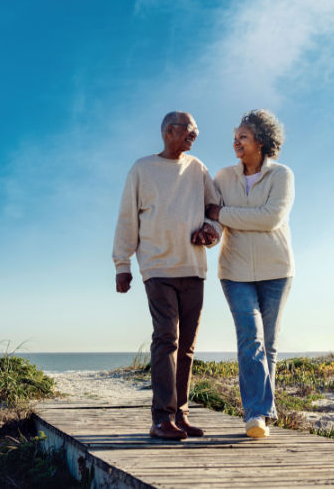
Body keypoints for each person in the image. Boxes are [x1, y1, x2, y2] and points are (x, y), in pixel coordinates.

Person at [113, 111, 221, 440]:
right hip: (157, 269)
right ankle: (161, 418)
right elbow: (127, 217)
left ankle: (181, 415)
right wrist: (122, 264)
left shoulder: (198, 168)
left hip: (193, 268)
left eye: (196, 131)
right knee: (166, 339)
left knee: (186, 346)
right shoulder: (142, 169)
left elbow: (214, 208)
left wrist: (211, 230)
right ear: (169, 131)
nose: (195, 135)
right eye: (190, 130)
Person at [206, 109, 294, 439]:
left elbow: (270, 218)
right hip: (235, 270)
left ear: (261, 140)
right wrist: (211, 228)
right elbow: (213, 218)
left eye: (242, 136)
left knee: (268, 344)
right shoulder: (223, 177)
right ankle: (255, 414)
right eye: (235, 136)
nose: (235, 141)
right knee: (250, 339)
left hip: (277, 270)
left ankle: (264, 412)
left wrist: (225, 213)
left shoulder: (282, 175)